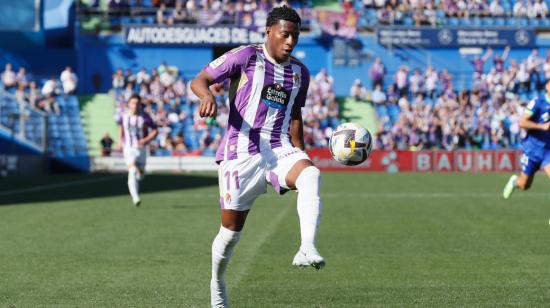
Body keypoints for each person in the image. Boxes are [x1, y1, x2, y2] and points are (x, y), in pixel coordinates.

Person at [190, 6, 324, 308]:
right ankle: (217, 284)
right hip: (240, 153)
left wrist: (300, 151)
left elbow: (295, 115)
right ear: (269, 32)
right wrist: (208, 95)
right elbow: (199, 80)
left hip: (278, 147)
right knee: (230, 234)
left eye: (295, 36)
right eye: (284, 34)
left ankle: (306, 247)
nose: (290, 41)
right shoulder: (246, 56)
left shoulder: (300, 73)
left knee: (312, 174)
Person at [503, 80, 550, 199]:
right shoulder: (538, 102)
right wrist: (541, 126)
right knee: (524, 185)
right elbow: (522, 122)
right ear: (547, 86)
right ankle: (514, 181)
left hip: (548, 151)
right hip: (532, 149)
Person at [118, 94, 158, 206]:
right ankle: (135, 197)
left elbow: (155, 130)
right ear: (129, 104)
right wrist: (119, 142)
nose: (135, 105)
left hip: (141, 148)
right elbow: (121, 127)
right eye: (132, 103)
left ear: (140, 104)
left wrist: (146, 140)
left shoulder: (144, 117)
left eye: (137, 103)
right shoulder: (123, 116)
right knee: (132, 170)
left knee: (140, 174)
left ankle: (139, 173)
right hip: (128, 147)